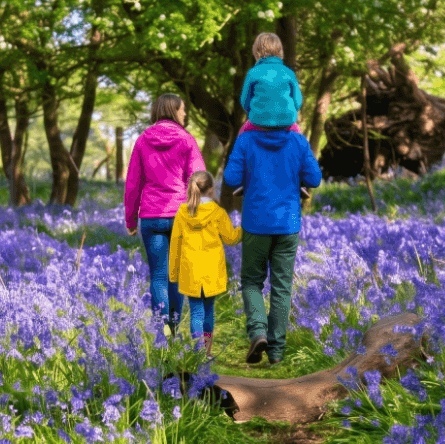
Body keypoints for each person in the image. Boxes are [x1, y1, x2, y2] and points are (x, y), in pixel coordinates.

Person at [223, 108, 323, 365]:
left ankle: (257, 332)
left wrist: (252, 177)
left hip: (256, 222)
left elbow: (231, 177)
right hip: (288, 223)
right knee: (282, 286)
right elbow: (314, 178)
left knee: (251, 281)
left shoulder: (246, 139)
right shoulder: (298, 140)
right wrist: (293, 176)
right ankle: (276, 352)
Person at [124, 94, 207, 335]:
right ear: (173, 111)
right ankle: (174, 326)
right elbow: (198, 179)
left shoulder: (142, 141)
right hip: (180, 215)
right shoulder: (187, 140)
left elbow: (133, 184)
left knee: (159, 275)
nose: (184, 115)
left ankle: (162, 333)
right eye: (182, 110)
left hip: (151, 217)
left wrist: (131, 220)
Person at [168, 171, 242, 358]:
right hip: (212, 271)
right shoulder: (217, 212)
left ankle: (197, 353)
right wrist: (245, 227)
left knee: (196, 313)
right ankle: (207, 353)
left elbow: (175, 245)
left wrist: (173, 274)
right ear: (211, 189)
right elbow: (231, 238)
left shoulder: (182, 213)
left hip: (190, 271)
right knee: (208, 311)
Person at [234, 32, 310, 199]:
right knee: (301, 143)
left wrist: (253, 112)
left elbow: (244, 100)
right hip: (286, 123)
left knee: (241, 138)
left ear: (257, 52)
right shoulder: (288, 73)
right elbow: (297, 100)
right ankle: (302, 180)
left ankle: (241, 178)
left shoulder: (253, 73)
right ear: (280, 52)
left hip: (258, 122)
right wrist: (289, 112)